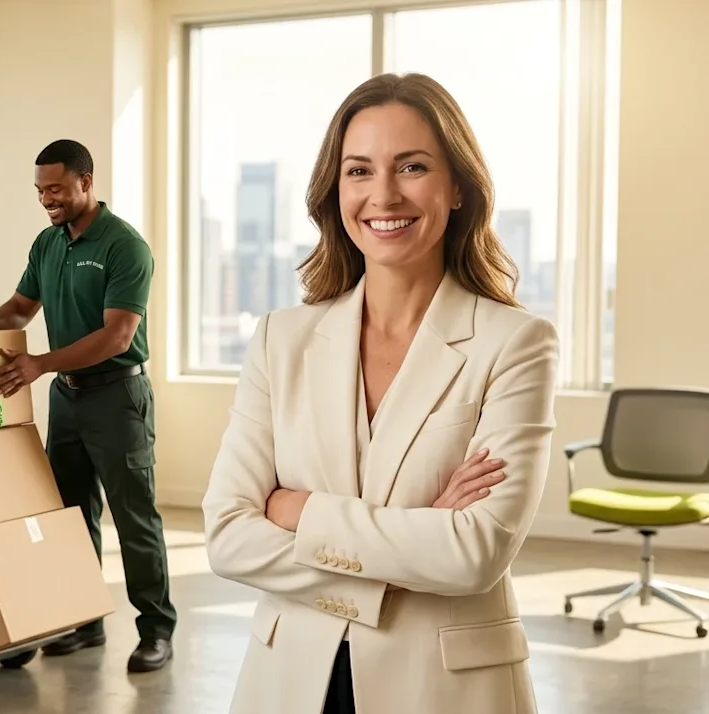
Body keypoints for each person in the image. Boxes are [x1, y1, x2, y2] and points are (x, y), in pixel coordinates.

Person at [202, 73, 558, 714]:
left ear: (457, 188)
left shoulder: (516, 343)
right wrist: (421, 535)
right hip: (289, 679)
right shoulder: (280, 340)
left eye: (413, 166)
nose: (383, 194)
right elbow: (228, 536)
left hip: (442, 688)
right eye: (359, 170)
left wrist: (300, 510)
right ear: (335, 191)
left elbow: (475, 553)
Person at [0, 139, 177, 673]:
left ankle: (156, 631)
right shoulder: (47, 243)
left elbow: (118, 336)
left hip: (118, 397)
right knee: (72, 515)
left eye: (55, 188)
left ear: (86, 182)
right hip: (68, 399)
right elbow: (20, 309)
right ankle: (84, 623)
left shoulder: (125, 246)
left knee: (133, 517)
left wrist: (38, 364)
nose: (46, 199)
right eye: (39, 190)